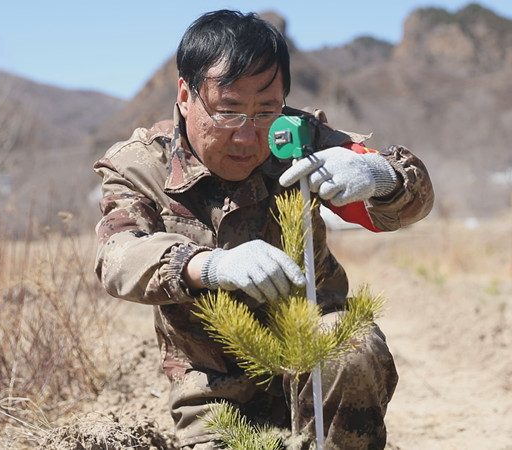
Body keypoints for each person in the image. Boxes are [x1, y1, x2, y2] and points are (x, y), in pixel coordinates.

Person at [93, 10, 433, 450]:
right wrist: (208, 265)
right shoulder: (141, 166)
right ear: (185, 95)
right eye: (228, 111)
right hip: (215, 395)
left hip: (316, 363)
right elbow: (117, 256)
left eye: (266, 111)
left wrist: (381, 176)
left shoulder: (300, 138)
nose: (247, 136)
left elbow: (403, 210)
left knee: (352, 347)